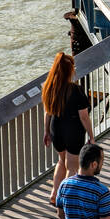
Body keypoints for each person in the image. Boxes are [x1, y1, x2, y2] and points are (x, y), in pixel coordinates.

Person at [42, 52, 94, 206]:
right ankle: (65, 198)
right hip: (73, 130)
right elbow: (84, 117)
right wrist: (91, 136)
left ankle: (54, 194)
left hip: (55, 129)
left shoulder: (48, 88)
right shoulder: (76, 90)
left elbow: (48, 112)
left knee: (61, 161)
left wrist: (46, 132)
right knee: (72, 166)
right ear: (69, 70)